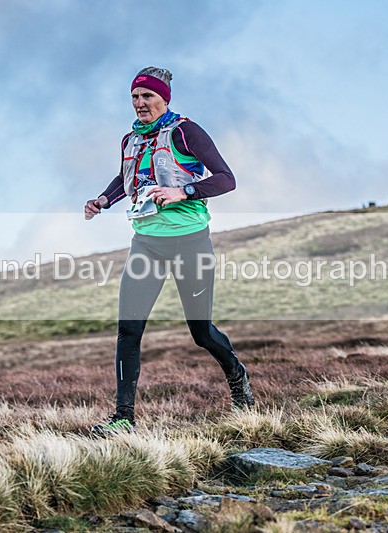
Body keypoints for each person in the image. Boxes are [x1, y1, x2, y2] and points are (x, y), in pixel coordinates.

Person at [84, 66, 254, 435]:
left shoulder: (186, 132)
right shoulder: (130, 139)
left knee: (201, 333)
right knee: (129, 330)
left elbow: (226, 179)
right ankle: (123, 419)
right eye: (134, 97)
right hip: (147, 244)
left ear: (164, 98)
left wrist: (183, 192)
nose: (139, 103)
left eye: (147, 96)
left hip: (190, 243)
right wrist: (103, 200)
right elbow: (126, 178)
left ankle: (237, 376)